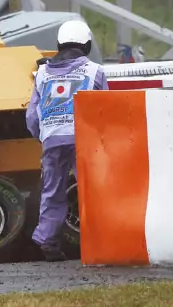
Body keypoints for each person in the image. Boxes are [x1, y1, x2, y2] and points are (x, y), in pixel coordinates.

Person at [26, 19, 107, 262]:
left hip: (51, 139)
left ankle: (46, 240)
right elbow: (106, 109)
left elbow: (32, 115)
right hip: (83, 138)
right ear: (87, 44)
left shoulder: (41, 73)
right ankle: (99, 242)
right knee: (91, 191)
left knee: (52, 192)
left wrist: (41, 135)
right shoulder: (95, 71)